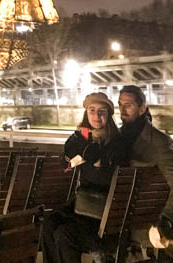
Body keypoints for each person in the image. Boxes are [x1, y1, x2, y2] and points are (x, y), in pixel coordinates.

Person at [42, 92, 129, 263]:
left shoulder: (116, 141)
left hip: (105, 210)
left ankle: (97, 247)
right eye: (92, 110)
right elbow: (65, 163)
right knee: (48, 223)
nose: (96, 116)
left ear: (109, 115)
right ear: (86, 113)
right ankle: (95, 247)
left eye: (102, 111)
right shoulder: (82, 137)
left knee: (64, 234)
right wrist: (75, 151)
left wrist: (97, 159)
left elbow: (107, 175)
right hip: (84, 206)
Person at [118, 85, 173, 242]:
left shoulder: (159, 142)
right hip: (113, 212)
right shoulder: (116, 137)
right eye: (120, 104)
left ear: (142, 108)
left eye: (128, 105)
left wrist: (167, 218)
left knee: (65, 233)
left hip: (132, 219)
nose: (122, 110)